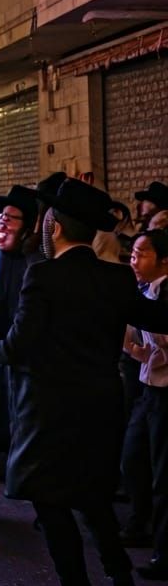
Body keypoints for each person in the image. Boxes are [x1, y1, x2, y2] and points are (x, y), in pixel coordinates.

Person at [0, 178, 168, 586]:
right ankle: (120, 577)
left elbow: (21, 344)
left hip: (49, 411)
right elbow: (159, 318)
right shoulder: (117, 277)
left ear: (55, 227)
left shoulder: (43, 275)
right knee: (91, 493)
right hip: (102, 406)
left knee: (51, 503)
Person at [0, 185, 40, 456]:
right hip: (2, 346)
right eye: (0, 218)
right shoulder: (7, 257)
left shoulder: (34, 262)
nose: (0, 224)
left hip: (24, 352)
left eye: (9, 219)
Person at [118, 229, 168, 563]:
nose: (134, 261)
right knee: (132, 458)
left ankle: (164, 553)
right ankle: (139, 524)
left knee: (163, 472)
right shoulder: (143, 291)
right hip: (148, 388)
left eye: (142, 254)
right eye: (132, 254)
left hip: (165, 392)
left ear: (164, 260)